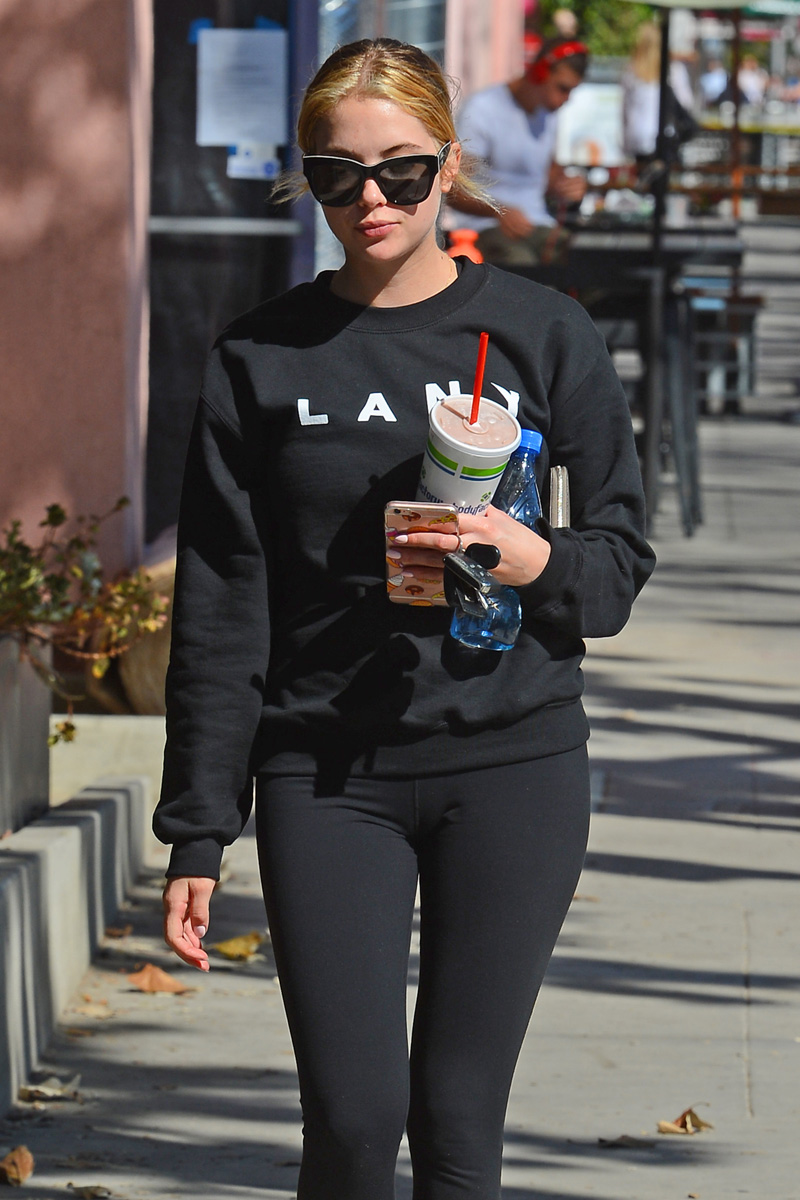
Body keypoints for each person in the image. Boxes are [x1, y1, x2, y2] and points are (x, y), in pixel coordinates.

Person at [154, 36, 655, 1200]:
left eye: (400, 171)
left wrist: (522, 551)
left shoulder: (539, 333)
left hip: (514, 761)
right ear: (305, 178)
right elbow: (226, 603)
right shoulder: (258, 360)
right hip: (326, 774)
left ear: (449, 163)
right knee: (350, 1116)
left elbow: (618, 569)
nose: (368, 200)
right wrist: (195, 828)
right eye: (336, 175)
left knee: (458, 1122)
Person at [447, 36, 589, 266]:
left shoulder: (548, 115)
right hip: (486, 227)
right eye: (563, 88)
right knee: (524, 269)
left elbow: (548, 178)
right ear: (540, 72)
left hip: (538, 225)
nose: (567, 99)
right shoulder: (484, 108)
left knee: (590, 259)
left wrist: (566, 185)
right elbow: (455, 185)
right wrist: (498, 211)